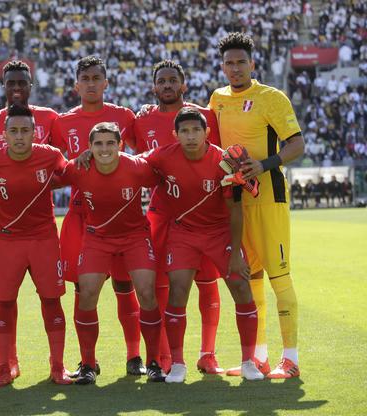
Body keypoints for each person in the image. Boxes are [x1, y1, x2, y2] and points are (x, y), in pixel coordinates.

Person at [141, 107, 263, 383]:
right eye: (184, 131)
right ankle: (179, 364)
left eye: (196, 130)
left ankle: (248, 362)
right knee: (178, 291)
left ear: (207, 132)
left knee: (241, 286)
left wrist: (235, 254)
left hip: (220, 233)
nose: (191, 136)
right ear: (175, 135)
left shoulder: (223, 161)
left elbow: (235, 209)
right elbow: (134, 164)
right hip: (183, 233)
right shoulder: (163, 156)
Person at [210, 32, 305, 379]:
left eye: (241, 63)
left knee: (279, 276)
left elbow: (297, 145)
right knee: (249, 280)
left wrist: (263, 166)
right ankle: (259, 358)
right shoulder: (217, 99)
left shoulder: (271, 98)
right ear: (222, 67)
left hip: (269, 199)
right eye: (229, 63)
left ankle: (291, 359)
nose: (235, 69)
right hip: (235, 204)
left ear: (252, 64)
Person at [51, 56, 145, 376]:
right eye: (85, 79)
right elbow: (54, 165)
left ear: (106, 83)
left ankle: (135, 357)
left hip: (121, 213)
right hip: (81, 217)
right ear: (76, 85)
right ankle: (88, 362)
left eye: (96, 78)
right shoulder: (61, 122)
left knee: (124, 285)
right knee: (83, 291)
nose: (91, 84)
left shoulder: (124, 116)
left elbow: (140, 154)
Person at [134, 60, 223, 374]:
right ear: (154, 86)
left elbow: (217, 159)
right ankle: (164, 357)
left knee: (207, 282)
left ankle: (208, 353)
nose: (168, 85)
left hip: (205, 212)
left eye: (173, 80)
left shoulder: (205, 116)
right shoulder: (140, 120)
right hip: (162, 212)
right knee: (160, 282)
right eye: (162, 81)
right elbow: (133, 160)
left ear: (183, 84)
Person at [0, 104, 72, 386]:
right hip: (7, 240)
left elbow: (71, 172)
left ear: (34, 133)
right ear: (3, 134)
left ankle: (58, 367)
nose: (19, 136)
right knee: (4, 303)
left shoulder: (50, 155)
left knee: (51, 300)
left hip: (43, 239)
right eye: (13, 131)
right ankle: (6, 367)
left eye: (25, 131)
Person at [59, 122, 164, 384]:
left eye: (110, 143)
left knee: (147, 293)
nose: (104, 149)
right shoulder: (79, 168)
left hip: (135, 236)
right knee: (87, 294)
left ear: (120, 145)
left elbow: (163, 176)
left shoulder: (137, 167)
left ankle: (153, 362)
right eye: (98, 144)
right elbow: (48, 173)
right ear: (89, 148)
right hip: (97, 237)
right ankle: (88, 364)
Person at [0, 60, 58, 155]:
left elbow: (58, 160)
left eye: (22, 83)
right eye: (11, 83)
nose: (16, 87)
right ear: (3, 87)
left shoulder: (50, 117)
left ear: (30, 87)